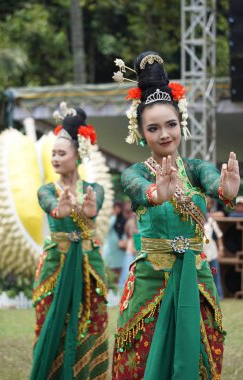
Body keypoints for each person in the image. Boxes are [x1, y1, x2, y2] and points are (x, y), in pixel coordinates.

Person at [112, 51, 240, 379]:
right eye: (153, 128)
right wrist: (157, 194)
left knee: (199, 358)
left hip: (195, 277)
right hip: (149, 279)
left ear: (180, 123)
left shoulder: (196, 169)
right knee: (141, 360)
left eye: (170, 124)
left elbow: (214, 183)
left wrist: (227, 190)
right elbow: (139, 189)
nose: (164, 134)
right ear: (141, 133)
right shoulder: (135, 172)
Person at [30, 103, 109, 379]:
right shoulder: (46, 190)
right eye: (53, 153)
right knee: (51, 324)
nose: (55, 158)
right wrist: (60, 210)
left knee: (92, 323)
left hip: (89, 266)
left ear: (78, 155)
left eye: (61, 153)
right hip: (56, 265)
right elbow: (51, 204)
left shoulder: (93, 189)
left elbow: (94, 205)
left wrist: (88, 210)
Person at [203, 197, 224, 299]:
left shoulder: (211, 221)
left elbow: (219, 235)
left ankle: (219, 295)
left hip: (212, 253)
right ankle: (205, 295)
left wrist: (221, 249)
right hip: (201, 253)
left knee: (215, 273)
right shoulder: (196, 222)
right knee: (203, 275)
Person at [102, 200, 126, 284]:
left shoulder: (125, 220)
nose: (116, 210)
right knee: (108, 278)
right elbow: (106, 229)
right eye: (115, 208)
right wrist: (114, 215)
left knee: (118, 280)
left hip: (121, 255)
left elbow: (131, 233)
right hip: (110, 254)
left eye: (118, 208)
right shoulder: (110, 219)